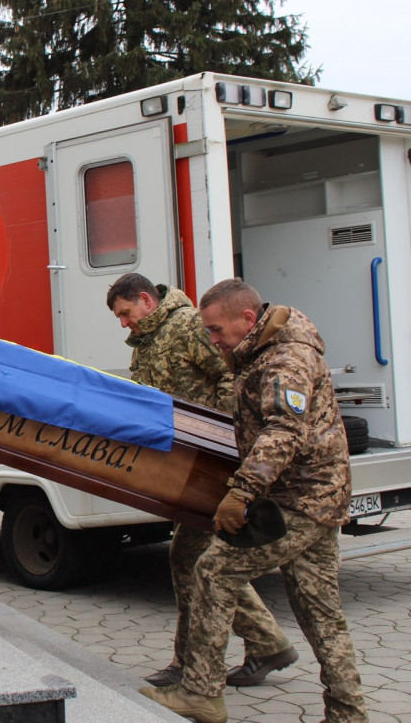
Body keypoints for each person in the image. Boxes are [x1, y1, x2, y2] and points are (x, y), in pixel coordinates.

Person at [141, 279, 368, 723]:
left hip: (300, 499)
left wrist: (241, 492)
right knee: (320, 611)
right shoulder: (259, 350)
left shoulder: (285, 359)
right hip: (314, 497)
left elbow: (283, 431)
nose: (212, 339)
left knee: (212, 570)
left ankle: (202, 693)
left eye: (216, 330)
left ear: (248, 319)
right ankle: (348, 714)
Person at [106, 274, 295, 690]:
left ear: (145, 300)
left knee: (194, 559)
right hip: (187, 464)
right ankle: (265, 642)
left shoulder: (189, 325)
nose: (123, 323)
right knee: (201, 559)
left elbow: (234, 379)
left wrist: (217, 434)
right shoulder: (150, 341)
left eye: (125, 313)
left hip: (214, 460)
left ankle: (198, 661)